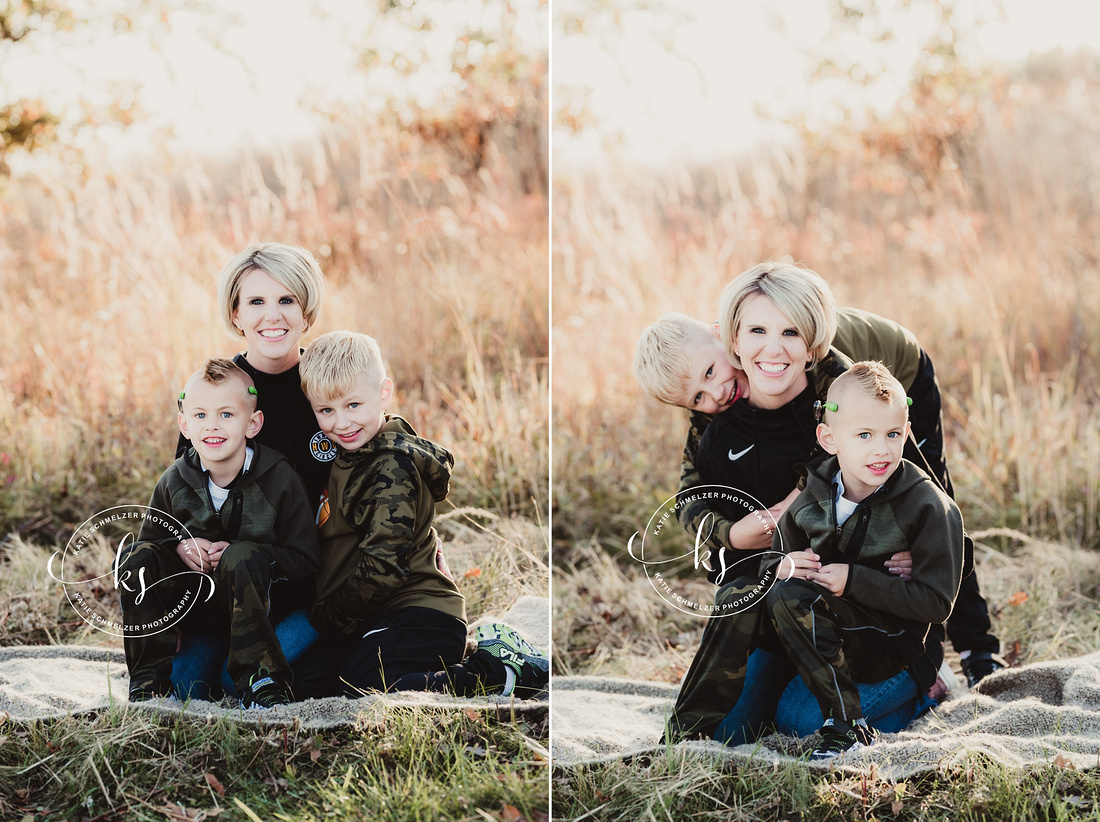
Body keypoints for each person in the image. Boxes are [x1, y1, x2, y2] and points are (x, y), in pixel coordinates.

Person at [667, 362, 965, 759]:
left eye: (893, 434)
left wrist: (855, 580)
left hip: (889, 650)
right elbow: (775, 561)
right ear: (829, 438)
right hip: (821, 636)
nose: (882, 449)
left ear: (906, 433)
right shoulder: (815, 490)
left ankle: (859, 721)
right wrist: (782, 565)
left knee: (798, 721)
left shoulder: (927, 505)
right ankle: (686, 727)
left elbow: (937, 602)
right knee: (742, 603)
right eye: (864, 435)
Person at [292, 331, 547, 697]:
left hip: (420, 612)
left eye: (353, 406)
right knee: (308, 684)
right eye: (326, 411)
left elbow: (384, 568)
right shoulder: (349, 452)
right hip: (368, 616)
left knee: (362, 685)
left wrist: (325, 618)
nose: (341, 423)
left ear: (383, 393)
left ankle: (496, 670)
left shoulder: (390, 468)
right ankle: (466, 656)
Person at [169, 243, 331, 701]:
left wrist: (425, 536)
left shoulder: (326, 384)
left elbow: (382, 449)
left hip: (304, 587)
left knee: (234, 683)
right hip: (226, 594)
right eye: (256, 302)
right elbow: (183, 496)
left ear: (306, 311)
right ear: (236, 314)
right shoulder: (219, 392)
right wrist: (184, 548)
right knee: (187, 685)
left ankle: (316, 646)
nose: (271, 316)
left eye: (286, 300)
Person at [118, 358, 320, 707]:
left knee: (241, 557)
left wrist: (247, 554)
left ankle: (260, 682)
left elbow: (306, 559)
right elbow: (151, 549)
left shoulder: (280, 479)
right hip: (205, 620)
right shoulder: (174, 481)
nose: (212, 426)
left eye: (226, 415)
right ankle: (148, 684)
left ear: (252, 423)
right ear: (184, 423)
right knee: (134, 559)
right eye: (200, 416)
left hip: (268, 617)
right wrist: (180, 548)